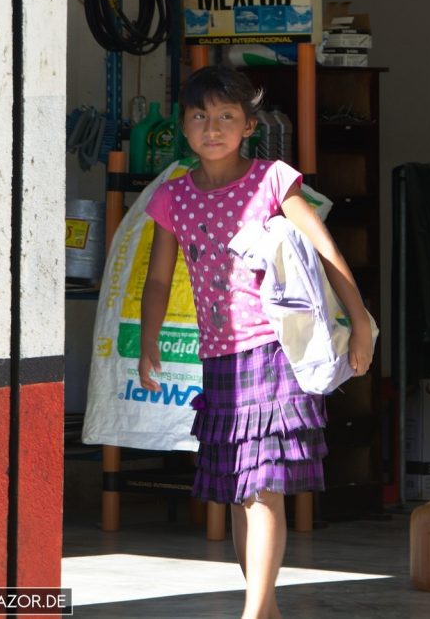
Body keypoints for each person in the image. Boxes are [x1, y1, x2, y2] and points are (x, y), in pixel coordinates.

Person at [138, 65, 374, 619]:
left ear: (248, 125)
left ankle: (253, 613)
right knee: (243, 492)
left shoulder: (273, 180)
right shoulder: (172, 198)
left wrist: (360, 320)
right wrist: (148, 342)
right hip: (219, 358)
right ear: (184, 127)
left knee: (264, 486)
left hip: (277, 351)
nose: (212, 128)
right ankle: (263, 610)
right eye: (200, 116)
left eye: (226, 117)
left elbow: (325, 248)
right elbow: (156, 280)